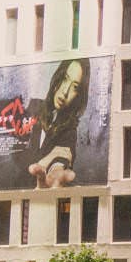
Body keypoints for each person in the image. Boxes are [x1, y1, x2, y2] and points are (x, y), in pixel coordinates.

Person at [20, 57, 89, 188]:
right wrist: (45, 159)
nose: (65, 91)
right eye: (65, 79)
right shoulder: (31, 107)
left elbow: (61, 158)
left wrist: (55, 170)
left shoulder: (69, 131)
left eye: (74, 87)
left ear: (78, 95)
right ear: (58, 77)